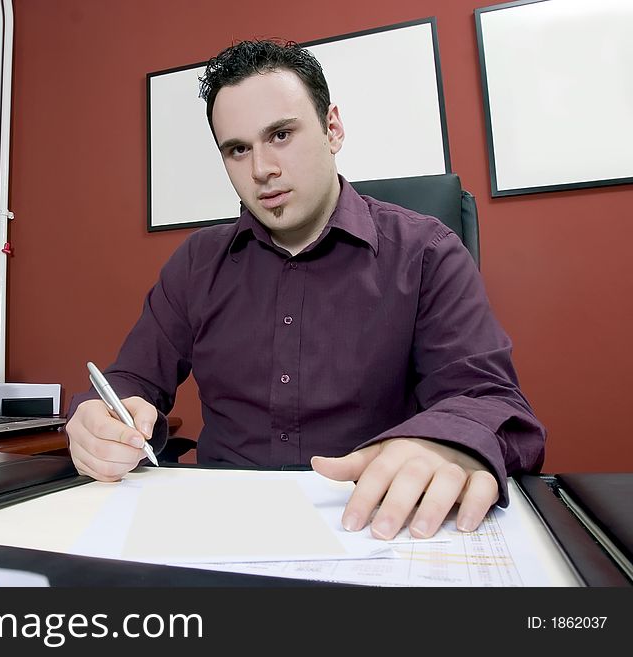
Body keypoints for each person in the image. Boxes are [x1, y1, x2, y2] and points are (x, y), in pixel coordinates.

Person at [66, 39, 545, 540]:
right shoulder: (196, 262)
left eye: (281, 135)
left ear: (332, 129)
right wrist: (99, 421)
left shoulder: (427, 252)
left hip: (369, 522)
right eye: (237, 149)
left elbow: (487, 399)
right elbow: (130, 381)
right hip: (219, 526)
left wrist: (447, 445)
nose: (261, 170)